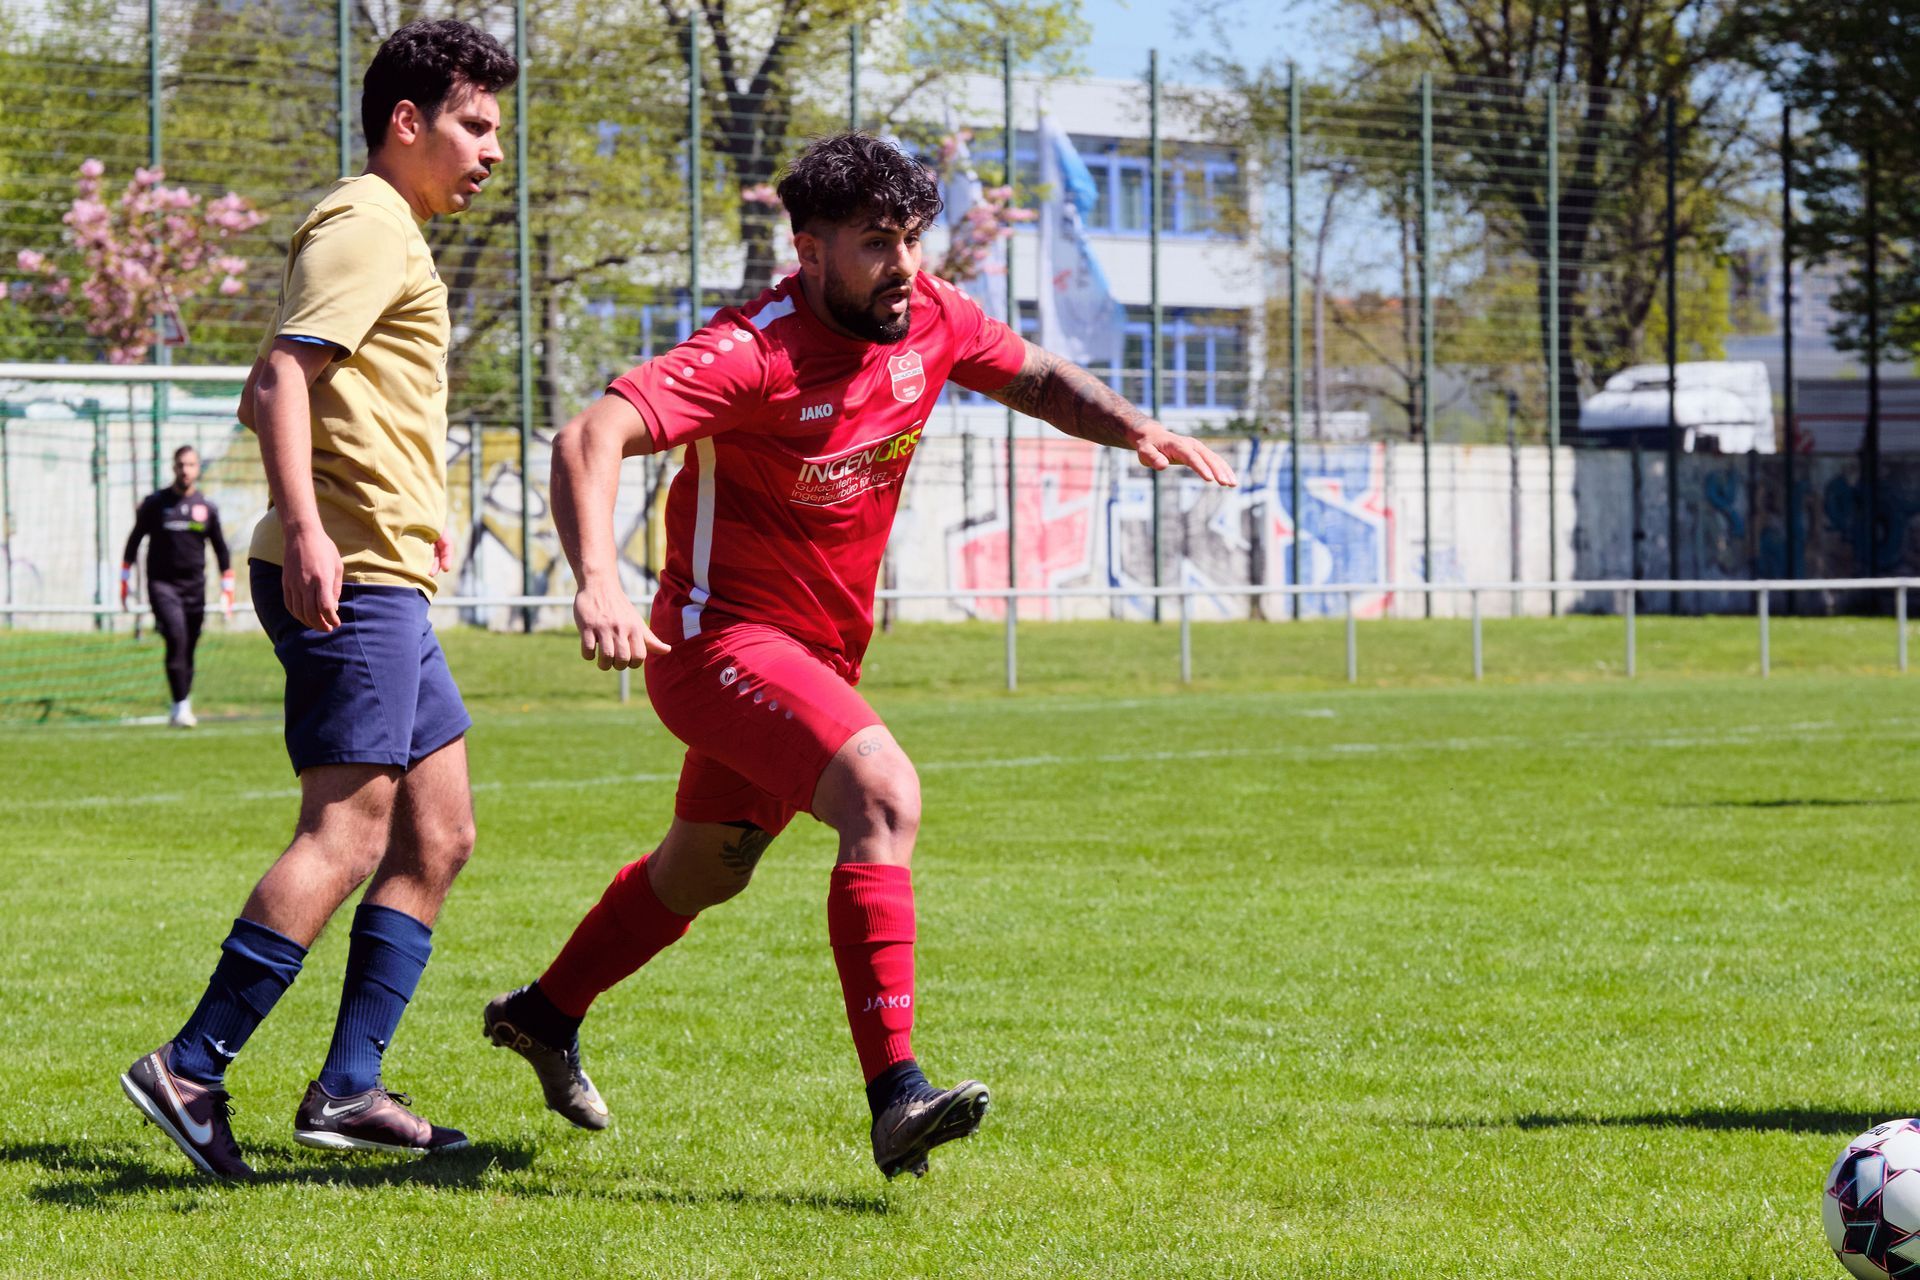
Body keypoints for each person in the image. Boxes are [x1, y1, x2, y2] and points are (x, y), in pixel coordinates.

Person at [482, 132, 1237, 1180]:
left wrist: (1134, 427)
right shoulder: (752, 351)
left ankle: (543, 1011)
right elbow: (587, 436)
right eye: (878, 242)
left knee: (702, 871)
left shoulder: (929, 317)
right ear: (809, 249)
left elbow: (1037, 378)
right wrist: (598, 579)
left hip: (818, 659)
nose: (905, 265)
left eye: (914, 238)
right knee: (881, 793)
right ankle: (898, 1096)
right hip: (717, 646)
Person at [119, 18, 517, 1179]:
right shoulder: (367, 220)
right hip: (352, 574)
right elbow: (288, 375)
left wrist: (393, 497)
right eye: (475, 125)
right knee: (346, 831)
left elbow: (266, 387)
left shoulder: (388, 230)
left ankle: (348, 1087)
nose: (492, 151)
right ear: (408, 121)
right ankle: (191, 1066)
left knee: (439, 833)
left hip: (385, 566)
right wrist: (310, 527)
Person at [122, 445, 233, 727]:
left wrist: (227, 589)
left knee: (189, 647)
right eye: (181, 465)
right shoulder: (156, 504)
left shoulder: (206, 508)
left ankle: (181, 703)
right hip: (163, 586)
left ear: (197, 468)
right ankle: (181, 706)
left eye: (191, 465)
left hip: (194, 588)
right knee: (176, 637)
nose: (185, 470)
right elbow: (134, 540)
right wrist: (124, 580)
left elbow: (221, 550)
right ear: (173, 467)